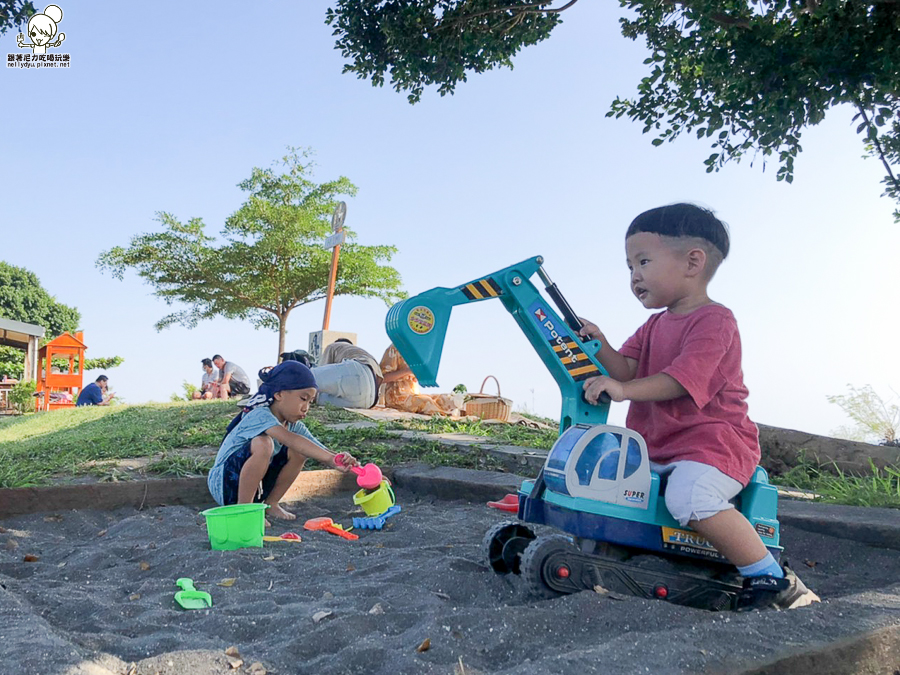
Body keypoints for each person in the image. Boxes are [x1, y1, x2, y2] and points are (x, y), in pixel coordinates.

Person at [579, 203, 819, 611]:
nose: (634, 275)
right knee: (611, 482)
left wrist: (623, 389)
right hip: (659, 447)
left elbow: (679, 381)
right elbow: (626, 367)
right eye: (629, 266)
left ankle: (767, 574)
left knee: (690, 499)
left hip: (713, 446)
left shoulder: (715, 321)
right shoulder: (654, 325)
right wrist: (598, 342)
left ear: (693, 262)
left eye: (643, 261)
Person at [207, 361, 359, 520]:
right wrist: (329, 458)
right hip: (224, 483)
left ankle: (271, 504)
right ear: (279, 394)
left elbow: (319, 449)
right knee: (263, 443)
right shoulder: (259, 414)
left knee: (300, 452)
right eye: (303, 398)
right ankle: (245, 511)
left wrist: (349, 465)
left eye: (310, 402)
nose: (306, 407)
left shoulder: (293, 425)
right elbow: (291, 440)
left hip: (255, 490)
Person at [379, 344, 460, 416]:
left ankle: (450, 411)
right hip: (397, 397)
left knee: (444, 398)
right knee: (425, 401)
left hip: (413, 394)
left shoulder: (417, 349)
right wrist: (407, 371)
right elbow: (382, 378)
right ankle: (445, 415)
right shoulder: (394, 348)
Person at [310, 339, 383, 409]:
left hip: (358, 370)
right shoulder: (366, 354)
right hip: (370, 401)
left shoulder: (334, 346)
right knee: (315, 398)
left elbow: (323, 369)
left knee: (309, 378)